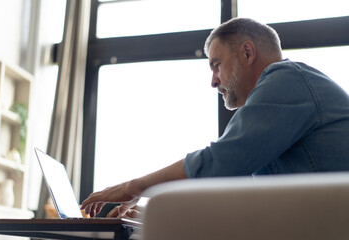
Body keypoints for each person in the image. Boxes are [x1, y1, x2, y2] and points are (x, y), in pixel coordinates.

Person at [81, 18, 349, 218]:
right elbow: (236, 198)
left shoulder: (287, 80)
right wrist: (155, 216)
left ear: (247, 52)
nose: (213, 81)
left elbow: (219, 162)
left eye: (216, 64)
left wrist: (133, 187)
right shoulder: (279, 114)